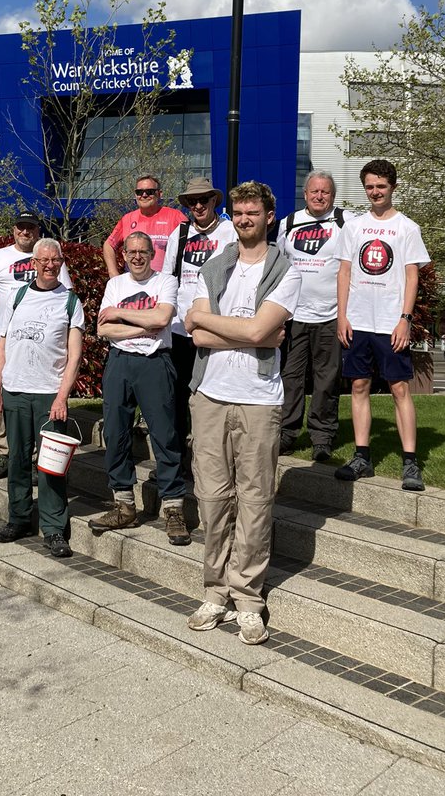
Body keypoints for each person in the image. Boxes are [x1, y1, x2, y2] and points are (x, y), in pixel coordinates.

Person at [184, 181, 302, 645]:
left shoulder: (285, 270)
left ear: (269, 216)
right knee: (212, 499)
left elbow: (255, 329)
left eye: (253, 212)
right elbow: (197, 336)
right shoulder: (212, 269)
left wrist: (235, 328)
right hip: (210, 395)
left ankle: (248, 598)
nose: (245, 218)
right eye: (238, 212)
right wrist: (254, 334)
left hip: (259, 400)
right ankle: (215, 592)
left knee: (254, 500)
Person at [333, 159, 431, 492]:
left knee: (400, 389)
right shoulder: (354, 226)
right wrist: (342, 315)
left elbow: (411, 275)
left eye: (381, 186)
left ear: (393, 187)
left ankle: (410, 461)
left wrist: (405, 319)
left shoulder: (407, 228)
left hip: (391, 322)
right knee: (359, 387)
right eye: (370, 187)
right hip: (357, 321)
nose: (375, 192)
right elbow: (345, 271)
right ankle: (362, 457)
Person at [89, 232, 190, 546]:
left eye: (142, 252)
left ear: (151, 253)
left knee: (165, 434)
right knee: (116, 432)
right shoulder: (115, 284)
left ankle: (173, 507)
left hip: (155, 361)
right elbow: (102, 329)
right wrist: (143, 325)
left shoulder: (165, 282)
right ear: (124, 255)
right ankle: (124, 504)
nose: (136, 257)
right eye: (131, 252)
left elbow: (162, 317)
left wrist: (120, 313)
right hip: (120, 362)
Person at [0, 238, 85, 558]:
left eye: (54, 260)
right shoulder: (17, 296)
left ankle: (54, 528)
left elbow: (74, 357)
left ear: (60, 262)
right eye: (42, 260)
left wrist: (61, 398)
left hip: (48, 396)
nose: (48, 265)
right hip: (15, 390)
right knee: (16, 461)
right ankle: (18, 518)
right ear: (33, 263)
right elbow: (1, 346)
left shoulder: (70, 302)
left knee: (51, 466)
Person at [0, 212, 72, 481]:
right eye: (21, 227)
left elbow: (65, 297)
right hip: (6, 341)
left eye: (30, 227)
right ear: (14, 229)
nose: (25, 232)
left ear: (37, 230)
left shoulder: (51, 257)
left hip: (40, 345)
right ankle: (4, 455)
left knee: (32, 401)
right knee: (6, 399)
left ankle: (31, 460)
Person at [161, 177, 237, 474]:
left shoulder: (230, 232)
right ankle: (179, 457)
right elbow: (167, 279)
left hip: (216, 329)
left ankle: (214, 459)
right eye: (193, 201)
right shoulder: (178, 234)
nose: (199, 205)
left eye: (204, 199)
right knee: (178, 396)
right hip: (181, 328)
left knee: (214, 395)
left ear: (214, 201)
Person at [275, 171, 353, 461]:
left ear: (332, 196)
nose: (320, 196)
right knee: (291, 377)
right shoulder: (290, 223)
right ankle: (287, 432)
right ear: (305, 194)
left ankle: (322, 437)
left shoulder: (347, 222)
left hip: (331, 316)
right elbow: (280, 267)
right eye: (314, 191)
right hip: (295, 316)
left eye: (326, 192)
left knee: (327, 379)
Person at [102, 174, 187, 277]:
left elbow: (193, 244)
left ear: (159, 194)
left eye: (150, 192)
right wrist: (113, 273)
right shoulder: (127, 219)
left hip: (164, 285)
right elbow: (109, 245)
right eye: (139, 192)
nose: (144, 195)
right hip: (133, 285)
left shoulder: (175, 217)